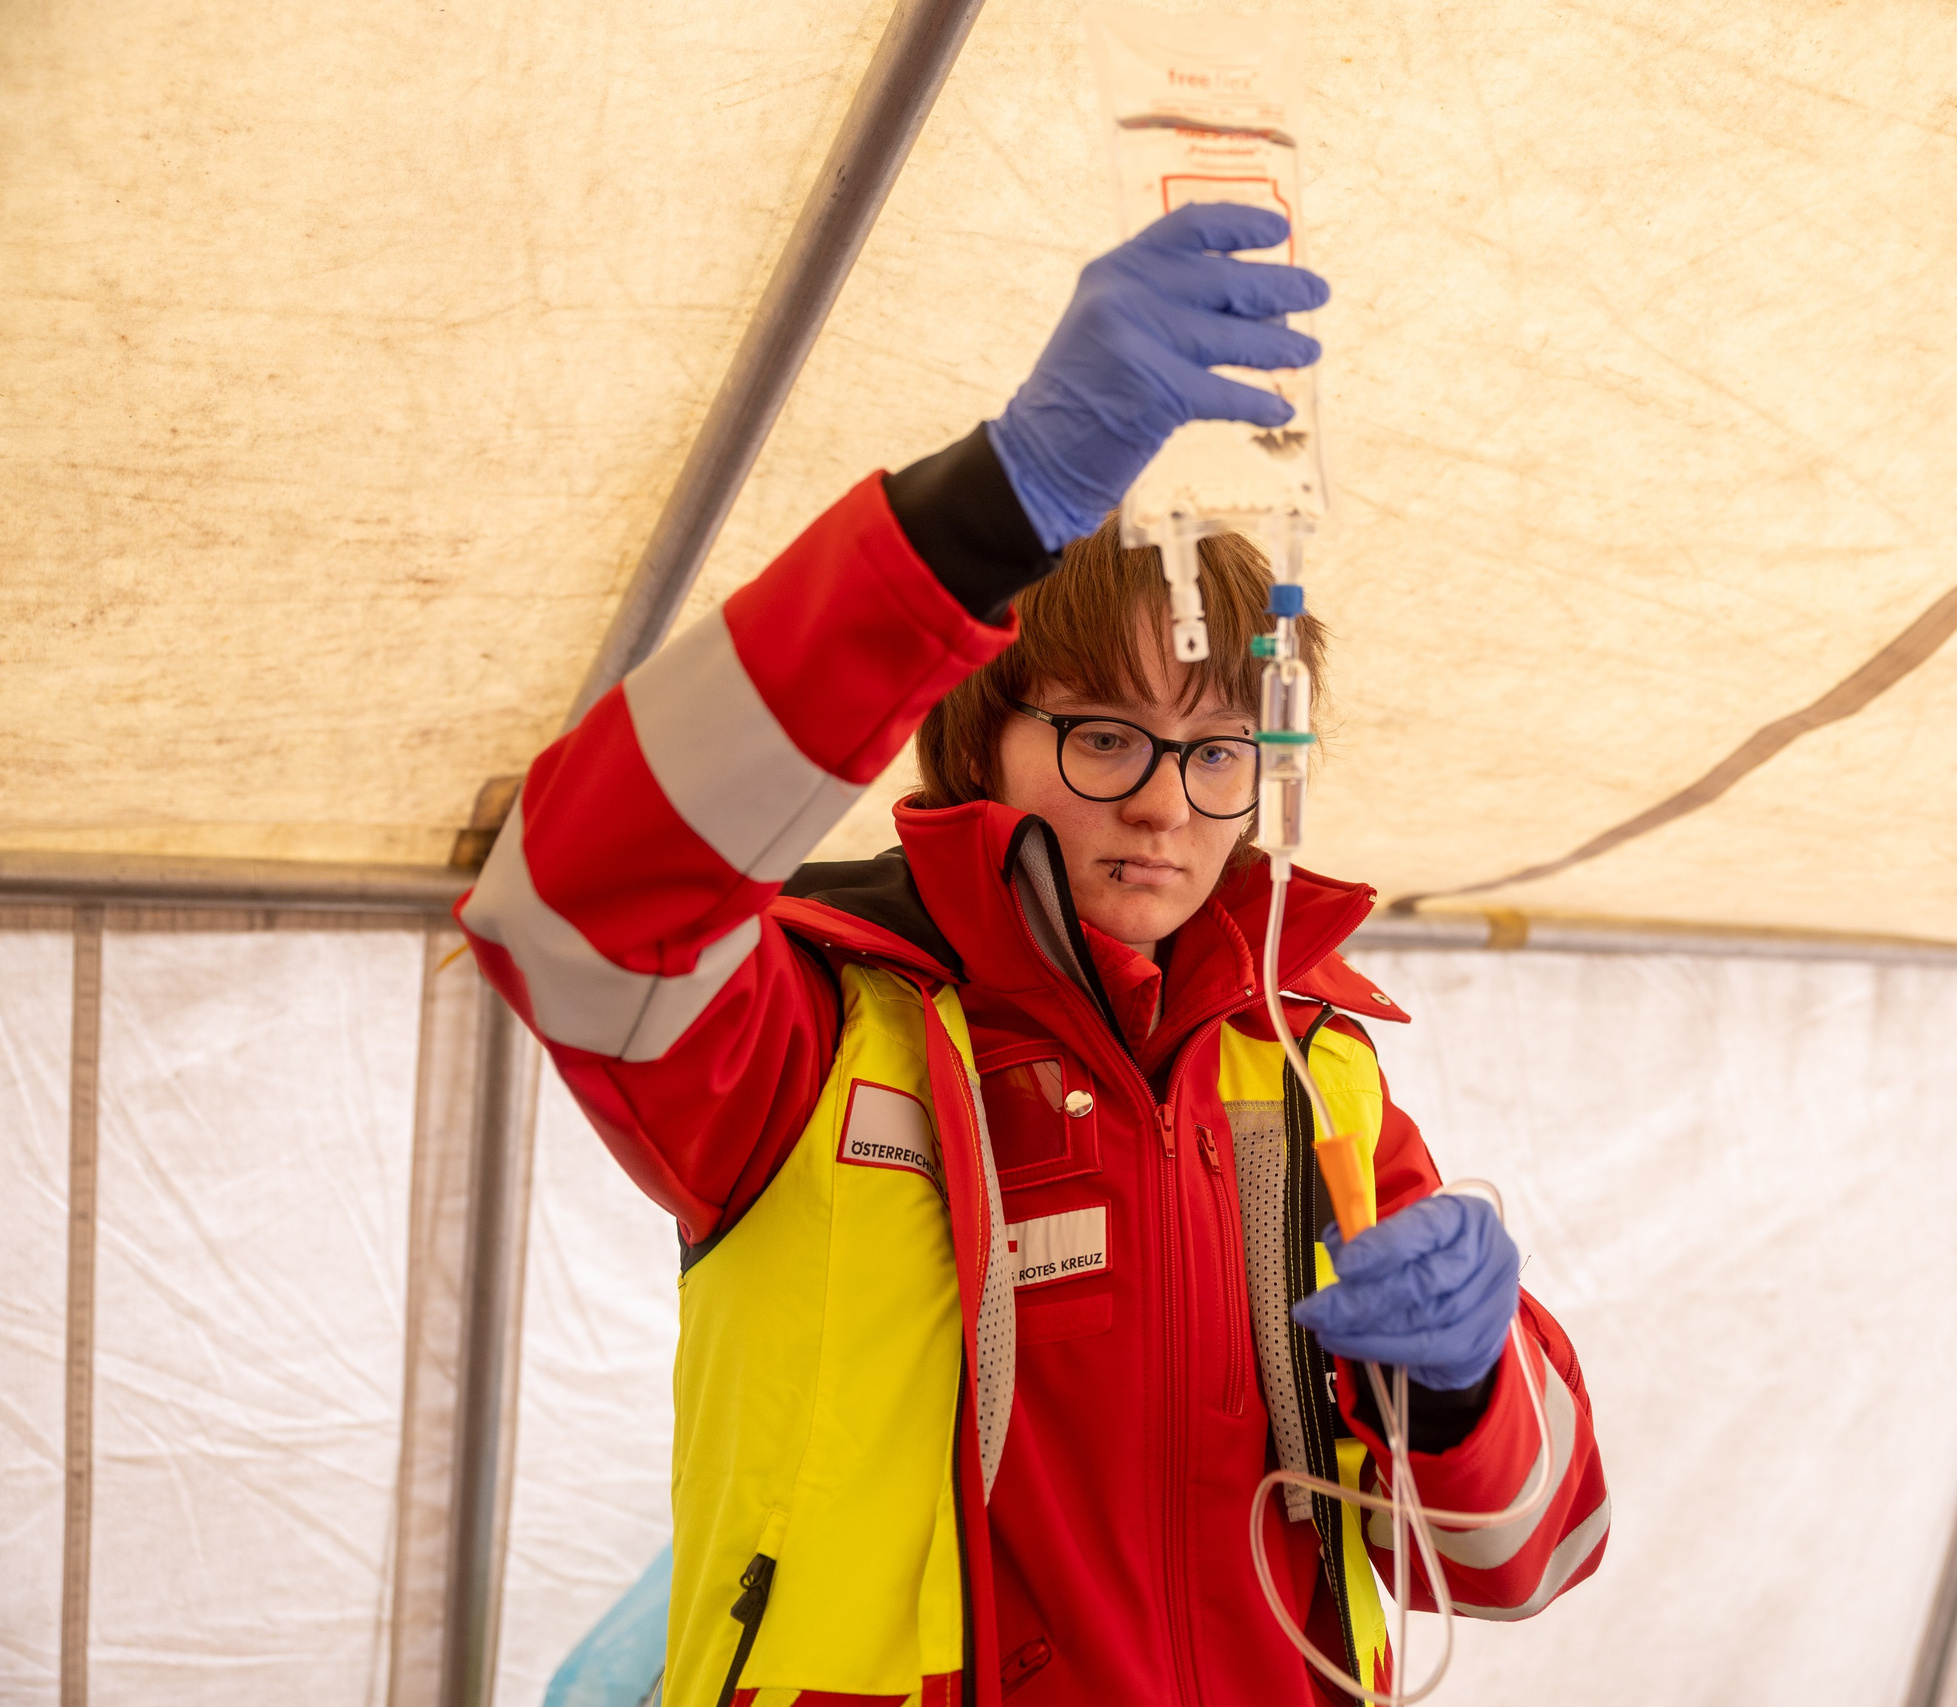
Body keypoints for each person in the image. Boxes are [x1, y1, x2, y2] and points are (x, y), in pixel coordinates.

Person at [459, 203, 1608, 1707]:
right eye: (1105, 735)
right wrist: (985, 514)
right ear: (977, 738)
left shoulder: (1312, 1075)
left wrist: (1466, 1390)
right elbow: (570, 898)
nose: (1166, 803)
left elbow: (1530, 1556)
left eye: (1220, 753)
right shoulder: (814, 1036)